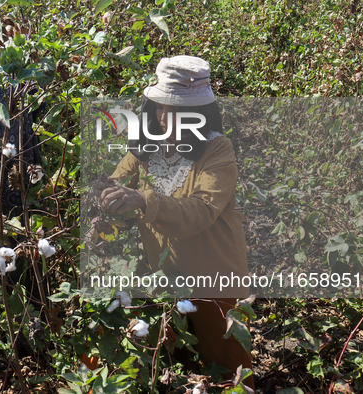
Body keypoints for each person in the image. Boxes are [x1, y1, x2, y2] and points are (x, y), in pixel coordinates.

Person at [96, 56, 255, 388]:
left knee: (227, 369)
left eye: (181, 110)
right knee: (169, 364)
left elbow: (202, 210)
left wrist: (143, 199)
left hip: (216, 277)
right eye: (162, 108)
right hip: (166, 277)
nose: (168, 117)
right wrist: (107, 196)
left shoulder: (217, 150)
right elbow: (116, 181)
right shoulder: (144, 147)